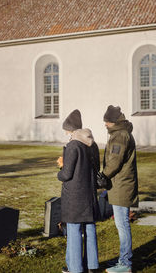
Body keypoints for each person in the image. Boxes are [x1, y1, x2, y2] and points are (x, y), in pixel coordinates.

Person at [57, 109, 100, 273]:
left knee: (74, 230)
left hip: (75, 195)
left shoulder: (73, 145)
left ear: (72, 129)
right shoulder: (92, 144)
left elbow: (67, 174)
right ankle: (92, 266)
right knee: (89, 228)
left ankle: (75, 268)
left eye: (67, 130)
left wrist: (59, 170)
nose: (66, 133)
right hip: (89, 193)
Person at [102, 105, 138, 273]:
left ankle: (125, 264)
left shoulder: (120, 135)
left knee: (122, 224)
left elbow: (115, 161)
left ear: (113, 121)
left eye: (106, 121)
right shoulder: (120, 134)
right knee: (121, 224)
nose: (105, 124)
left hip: (121, 185)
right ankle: (122, 260)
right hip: (120, 184)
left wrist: (103, 176)